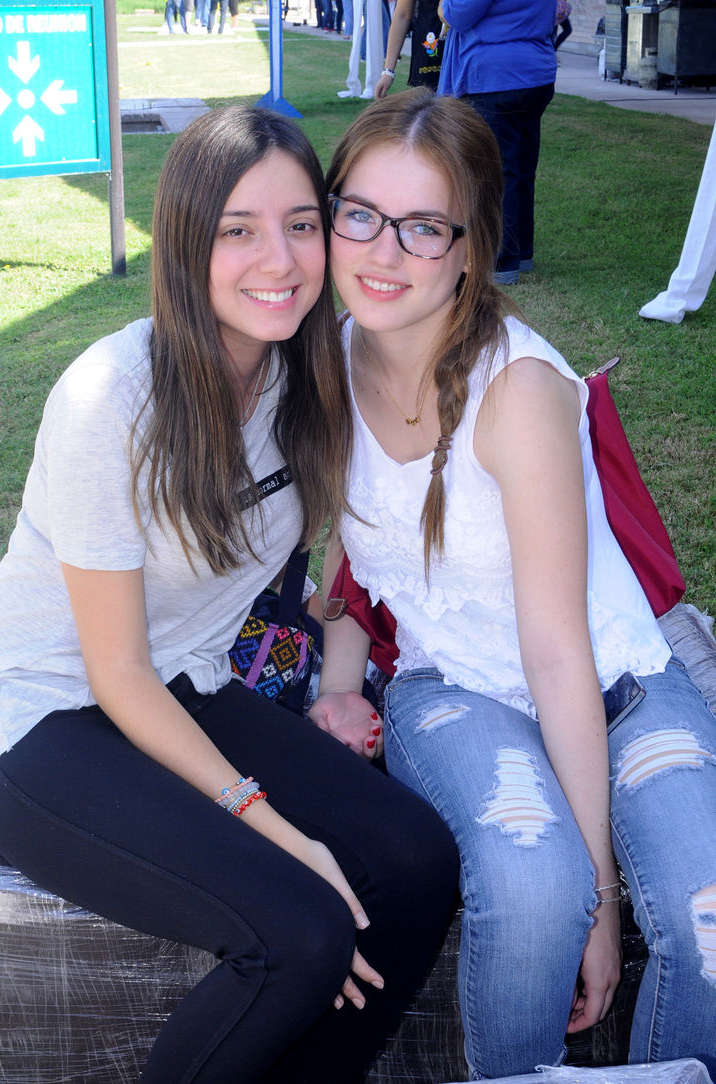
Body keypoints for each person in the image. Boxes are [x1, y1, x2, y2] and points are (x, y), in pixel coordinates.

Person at [0, 103, 459, 1084]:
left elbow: (352, 535)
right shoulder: (110, 398)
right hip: (45, 714)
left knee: (416, 859)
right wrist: (283, 834)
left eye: (301, 224)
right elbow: (118, 674)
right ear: (184, 245)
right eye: (237, 230)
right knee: (300, 931)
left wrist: (341, 681)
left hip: (190, 682)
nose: (278, 260)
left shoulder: (309, 379)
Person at [311, 88, 716, 1080]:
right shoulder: (326, 358)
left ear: (469, 247)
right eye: (360, 214)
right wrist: (339, 680)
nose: (382, 251)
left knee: (707, 912)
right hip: (452, 686)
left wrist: (603, 901)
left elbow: (559, 651)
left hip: (612, 678)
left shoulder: (518, 393)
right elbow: (356, 540)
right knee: (534, 890)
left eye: (422, 226)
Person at [437, 0, 557, 284]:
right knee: (521, 171)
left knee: (497, 174)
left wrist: (444, 7)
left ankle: (502, 261)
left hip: (496, 75)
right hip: (535, 71)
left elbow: (459, 14)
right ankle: (521, 253)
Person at [374, 0, 443, 99]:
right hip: (429, 59)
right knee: (430, 105)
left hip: (462, 52)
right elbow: (402, 15)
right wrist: (388, 72)